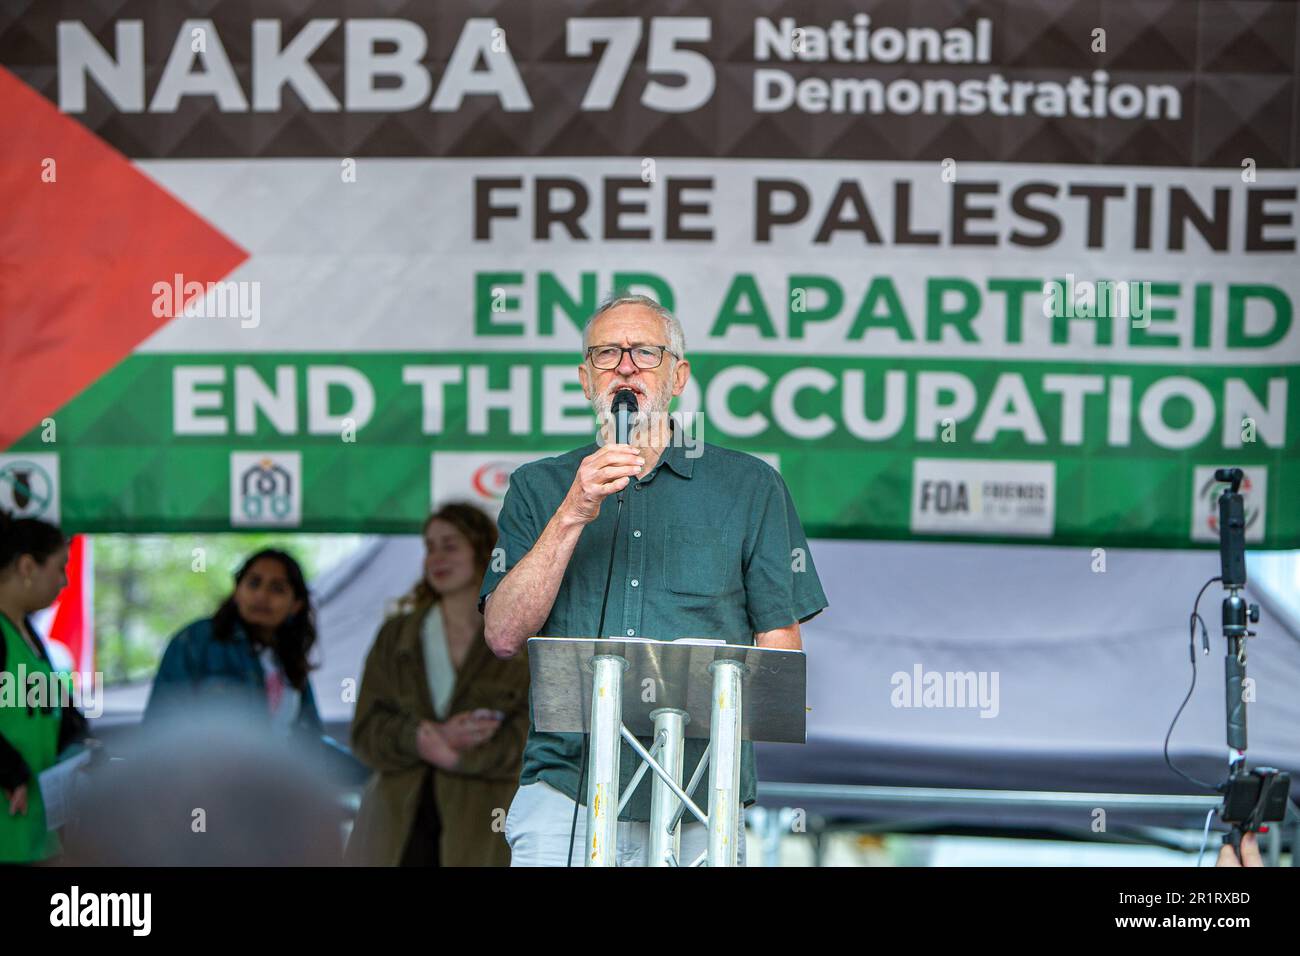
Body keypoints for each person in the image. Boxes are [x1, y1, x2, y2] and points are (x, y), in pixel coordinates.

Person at [481, 292, 828, 866]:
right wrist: (572, 511)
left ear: (679, 375)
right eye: (606, 354)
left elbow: (779, 652)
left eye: (645, 351)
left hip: (700, 796)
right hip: (566, 791)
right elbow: (502, 634)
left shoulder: (750, 487)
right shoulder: (538, 488)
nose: (624, 366)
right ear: (585, 378)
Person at [347, 503, 530, 866]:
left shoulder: (517, 637)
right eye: (430, 547)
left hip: (481, 830)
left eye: (450, 545)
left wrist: (458, 756)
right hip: (392, 829)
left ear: (482, 550)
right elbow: (365, 732)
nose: (436, 557)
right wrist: (422, 738)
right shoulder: (396, 635)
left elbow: (534, 739)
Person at [144, 548, 324, 744]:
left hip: (280, 774)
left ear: (295, 604)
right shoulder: (196, 641)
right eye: (254, 583)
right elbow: (161, 728)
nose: (262, 595)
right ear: (237, 591)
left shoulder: (290, 658)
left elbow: (311, 740)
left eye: (277, 589)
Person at [0, 510, 91, 864]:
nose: (65, 581)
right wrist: (9, 769)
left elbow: (58, 712)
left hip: (37, 828)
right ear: (27, 567)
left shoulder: (31, 638)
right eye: (60, 567)